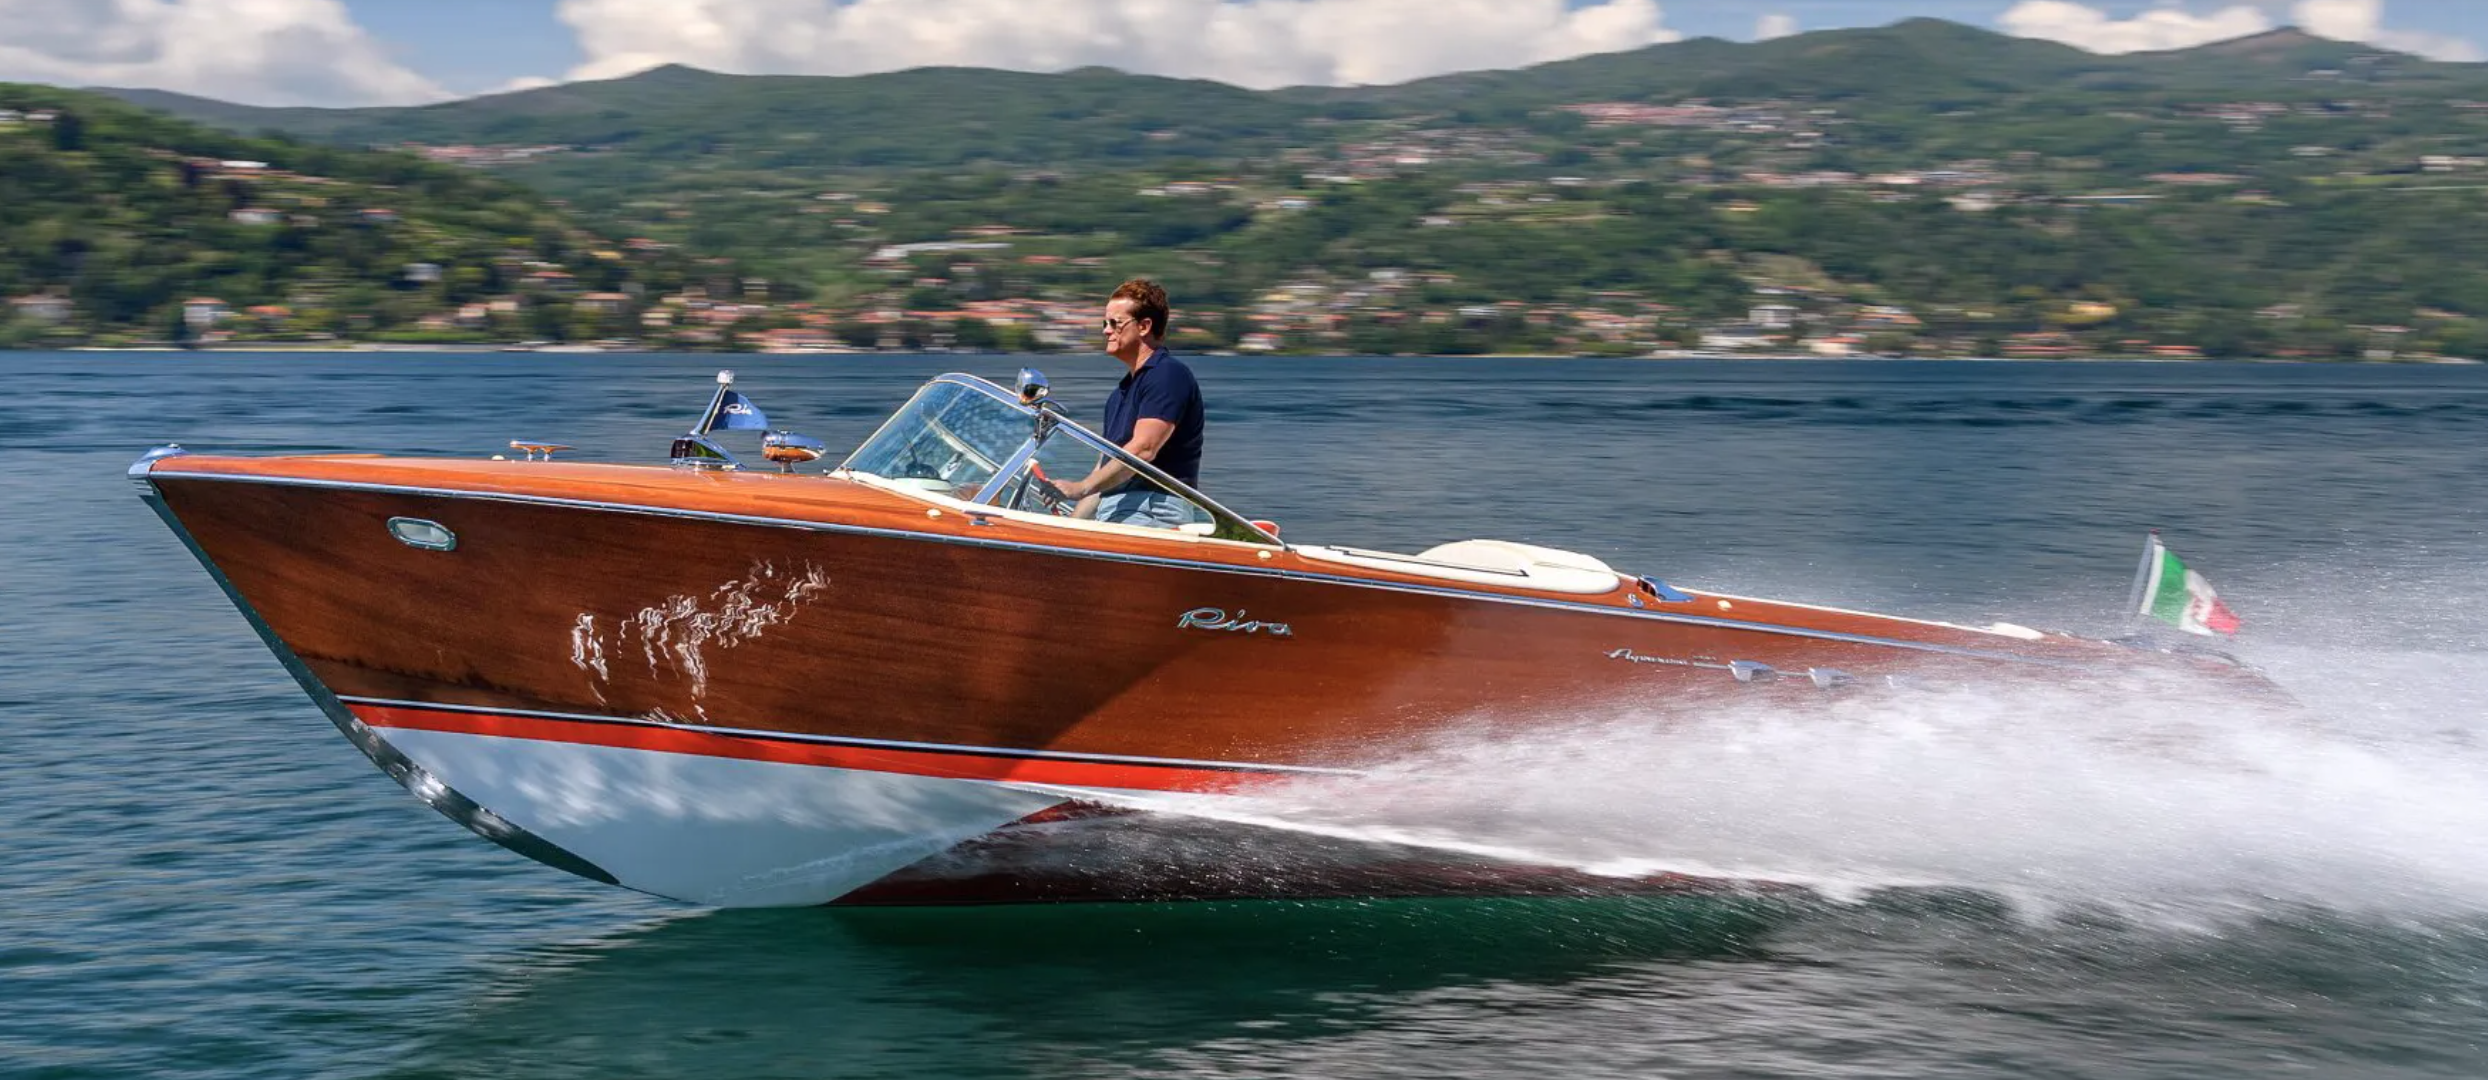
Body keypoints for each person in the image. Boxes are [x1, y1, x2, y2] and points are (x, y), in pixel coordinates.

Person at [1047, 279, 1206, 528]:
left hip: (1152, 511)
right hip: (1115, 511)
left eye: (1115, 323)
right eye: (1104, 323)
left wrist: (1081, 487)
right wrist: (1069, 526)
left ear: (1144, 326)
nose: (1106, 331)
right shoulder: (1119, 395)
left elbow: (1143, 450)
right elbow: (1106, 471)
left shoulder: (1167, 374)